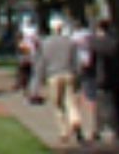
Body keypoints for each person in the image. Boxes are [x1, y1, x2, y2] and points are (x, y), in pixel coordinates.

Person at [38, 16, 83, 145]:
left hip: (53, 75)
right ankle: (75, 120)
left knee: (57, 105)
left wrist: (40, 79)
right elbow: (76, 61)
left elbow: (42, 62)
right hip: (68, 73)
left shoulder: (46, 43)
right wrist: (78, 75)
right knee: (71, 101)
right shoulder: (70, 42)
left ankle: (63, 131)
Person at [88, 18, 119, 144]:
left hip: (102, 77)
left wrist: (91, 75)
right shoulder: (117, 42)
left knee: (102, 104)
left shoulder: (96, 43)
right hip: (118, 77)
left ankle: (101, 128)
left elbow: (93, 62)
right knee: (118, 103)